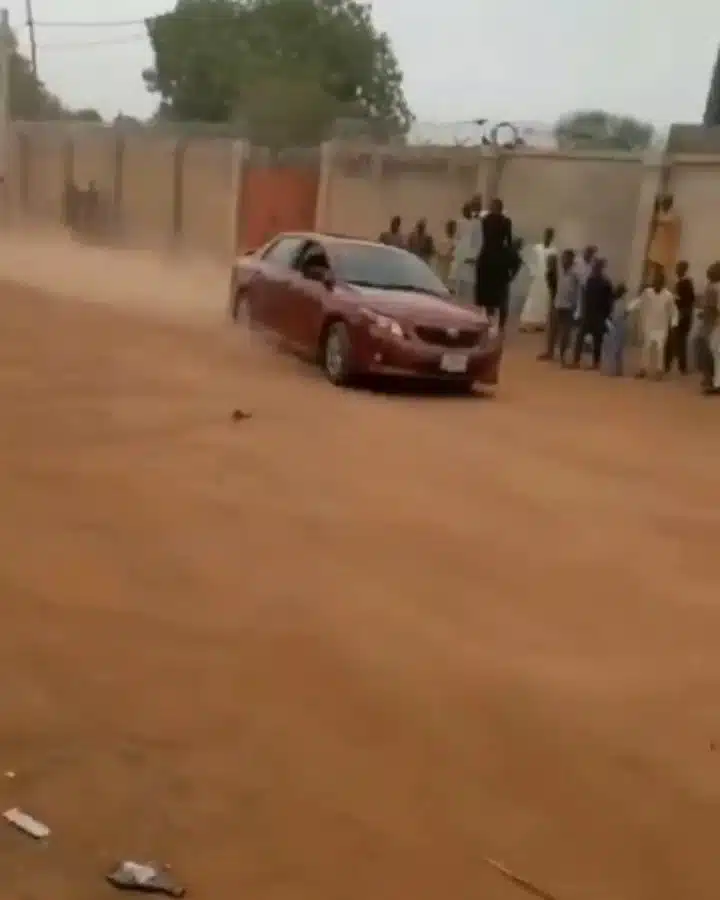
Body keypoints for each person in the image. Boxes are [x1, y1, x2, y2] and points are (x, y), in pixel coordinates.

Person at [629, 270, 677, 379]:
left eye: (659, 281)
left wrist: (673, 325)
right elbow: (639, 301)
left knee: (660, 350)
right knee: (646, 348)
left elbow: (673, 311)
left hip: (662, 326)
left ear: (663, 283)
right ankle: (643, 369)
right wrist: (628, 309)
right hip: (649, 325)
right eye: (655, 281)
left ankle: (659, 371)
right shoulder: (647, 292)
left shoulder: (668, 296)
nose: (656, 283)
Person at [474, 197, 513, 324]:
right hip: (498, 258)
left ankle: (487, 315)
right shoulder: (506, 222)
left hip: (487, 256)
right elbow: (509, 242)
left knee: (486, 289)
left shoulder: (486, 220)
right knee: (498, 290)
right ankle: (495, 319)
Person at [538, 249, 580, 364]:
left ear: (571, 260)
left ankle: (563, 356)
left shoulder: (576, 274)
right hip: (558, 303)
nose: (563, 260)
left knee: (566, 332)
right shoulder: (559, 272)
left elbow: (579, 291)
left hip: (569, 306)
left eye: (566, 258)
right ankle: (551, 352)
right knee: (553, 329)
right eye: (563, 258)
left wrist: (577, 307)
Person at [571, 257, 613, 369]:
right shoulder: (590, 281)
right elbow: (585, 297)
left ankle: (596, 363)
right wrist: (582, 311)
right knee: (580, 337)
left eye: (598, 267)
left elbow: (609, 301)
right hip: (588, 314)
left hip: (599, 315)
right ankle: (576, 361)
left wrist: (607, 315)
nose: (595, 269)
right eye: (595, 266)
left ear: (601, 268)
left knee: (597, 340)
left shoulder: (605, 283)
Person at [519, 227, 557, 332]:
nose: (548, 236)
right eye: (547, 234)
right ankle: (528, 321)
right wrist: (533, 272)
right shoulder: (537, 248)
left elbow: (554, 266)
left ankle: (541, 323)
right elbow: (530, 261)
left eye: (550, 235)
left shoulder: (553, 250)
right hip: (537, 277)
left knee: (544, 300)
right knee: (533, 298)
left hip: (546, 278)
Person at [664, 260, 695, 374]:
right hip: (683, 315)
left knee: (673, 341)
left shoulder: (685, 283)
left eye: (678, 268)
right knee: (680, 341)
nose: (676, 270)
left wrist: (675, 300)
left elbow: (686, 300)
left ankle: (668, 365)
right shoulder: (684, 282)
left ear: (683, 269)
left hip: (681, 315)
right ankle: (681, 366)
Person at [697, 261, 720, 395]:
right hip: (709, 322)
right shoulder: (711, 286)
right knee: (710, 349)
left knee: (712, 349)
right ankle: (710, 378)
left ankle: (712, 379)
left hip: (713, 323)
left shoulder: (716, 288)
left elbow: (713, 308)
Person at [601, 283, 630, 376]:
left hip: (615, 326)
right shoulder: (620, 302)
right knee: (617, 349)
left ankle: (615, 369)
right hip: (617, 326)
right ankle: (616, 370)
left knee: (615, 348)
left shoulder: (614, 302)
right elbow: (621, 315)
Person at [450, 203, 476, 303]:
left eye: (468, 210)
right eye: (464, 210)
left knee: (470, 280)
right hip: (461, 253)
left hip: (471, 254)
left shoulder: (475, 223)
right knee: (459, 279)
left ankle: (468, 301)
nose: (466, 212)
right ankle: (458, 299)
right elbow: (456, 238)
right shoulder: (459, 222)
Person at [435, 219, 457, 286]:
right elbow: (439, 256)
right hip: (445, 272)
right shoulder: (443, 241)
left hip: (451, 273)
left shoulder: (455, 242)